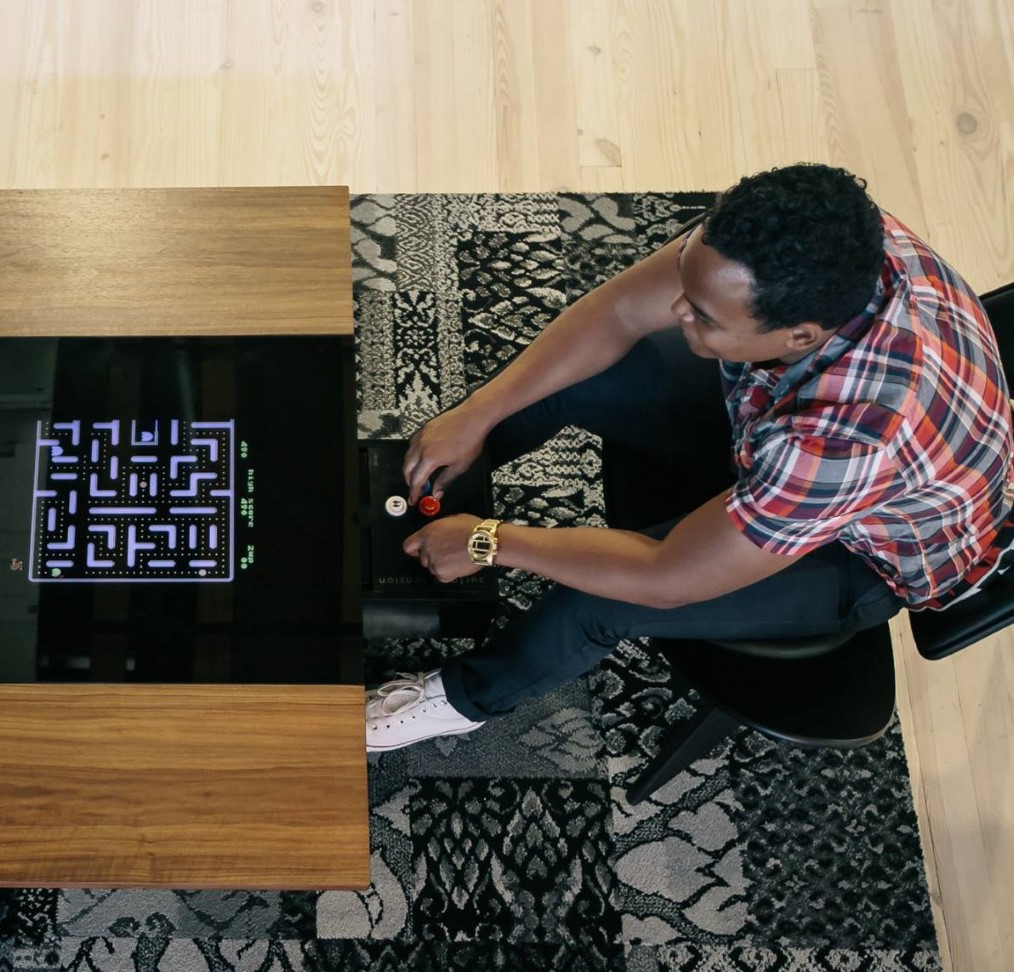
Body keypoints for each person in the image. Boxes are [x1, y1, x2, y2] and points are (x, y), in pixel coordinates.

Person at [367, 164, 1012, 751]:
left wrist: (489, 542)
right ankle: (418, 501)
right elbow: (618, 309)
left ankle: (457, 699)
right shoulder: (825, 245)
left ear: (798, 336)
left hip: (858, 553)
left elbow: (664, 575)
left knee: (595, 604)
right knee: (569, 378)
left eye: (702, 315)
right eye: (687, 288)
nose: (676, 312)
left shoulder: (848, 438)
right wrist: (478, 411)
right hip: (776, 430)